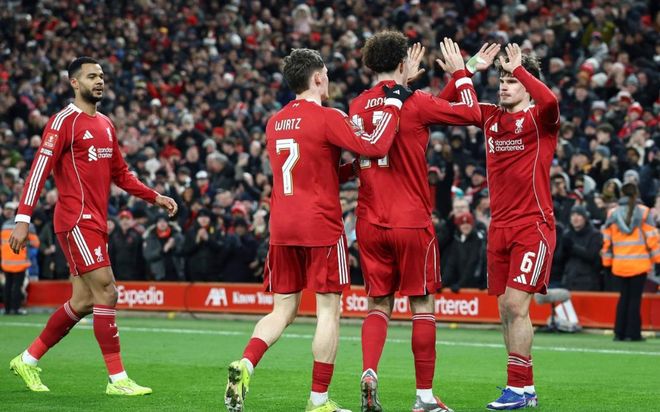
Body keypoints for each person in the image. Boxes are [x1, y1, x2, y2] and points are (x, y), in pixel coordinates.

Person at [224, 48, 411, 412]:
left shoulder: (274, 122)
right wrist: (393, 103)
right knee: (328, 311)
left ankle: (246, 363)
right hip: (320, 224)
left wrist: (349, 170)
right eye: (326, 74)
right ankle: (318, 400)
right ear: (317, 78)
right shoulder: (329, 117)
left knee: (282, 310)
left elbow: (311, 170)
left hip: (282, 224)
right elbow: (376, 146)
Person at [7, 57, 177, 395]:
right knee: (108, 291)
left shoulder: (106, 124)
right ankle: (117, 379)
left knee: (83, 301)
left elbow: (121, 174)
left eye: (101, 76)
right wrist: (22, 219)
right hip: (75, 221)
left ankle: (27, 359)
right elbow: (39, 170)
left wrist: (154, 196)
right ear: (74, 82)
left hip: (97, 223)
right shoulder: (63, 122)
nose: (99, 81)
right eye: (91, 76)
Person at [348, 32, 480, 412]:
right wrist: (463, 73)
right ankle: (423, 397)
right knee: (422, 304)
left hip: (369, 221)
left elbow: (422, 107)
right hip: (410, 220)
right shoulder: (415, 101)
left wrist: (463, 71)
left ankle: (369, 371)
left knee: (378, 303)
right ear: (403, 63)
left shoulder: (357, 104)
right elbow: (469, 113)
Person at [438, 41, 559, 410]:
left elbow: (551, 101)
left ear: (528, 85)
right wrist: (467, 69)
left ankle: (516, 389)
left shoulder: (540, 119)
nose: (504, 86)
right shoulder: (490, 116)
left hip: (533, 225)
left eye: (512, 81)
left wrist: (521, 69)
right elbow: (442, 108)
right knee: (506, 309)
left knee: (516, 304)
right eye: (502, 80)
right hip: (499, 227)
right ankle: (526, 388)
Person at [601, 182, 660, 341]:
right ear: (636, 194)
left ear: (621, 194)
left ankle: (619, 333)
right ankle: (633, 334)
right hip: (639, 264)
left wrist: (607, 263)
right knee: (634, 300)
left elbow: (606, 241)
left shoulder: (612, 213)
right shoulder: (645, 212)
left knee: (623, 298)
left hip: (619, 264)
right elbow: (653, 238)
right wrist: (658, 259)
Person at [1, 201, 39, 314]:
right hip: (20, 261)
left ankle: (7, 309)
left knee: (7, 286)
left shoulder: (4, 225)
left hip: (6, 262)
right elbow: (36, 243)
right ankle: (16, 308)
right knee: (18, 286)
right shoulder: (28, 226)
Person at [561, 205, 603, 291]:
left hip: (588, 281)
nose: (575, 218)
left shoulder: (595, 235)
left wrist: (572, 247)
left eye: (578, 215)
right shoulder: (567, 234)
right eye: (573, 215)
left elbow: (592, 255)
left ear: (585, 218)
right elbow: (561, 258)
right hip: (569, 280)